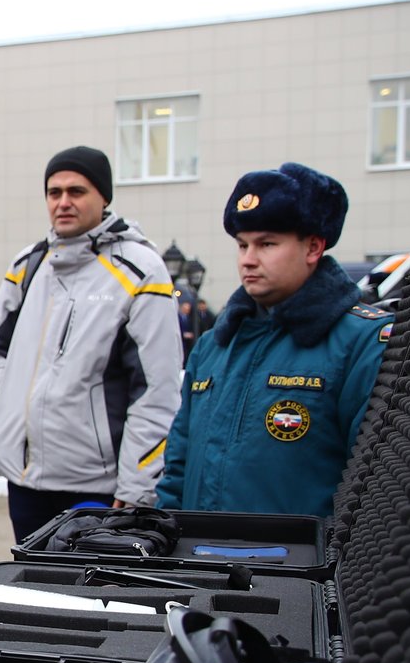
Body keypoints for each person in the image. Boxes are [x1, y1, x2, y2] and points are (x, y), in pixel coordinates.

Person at [157, 162, 389, 517]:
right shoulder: (213, 346)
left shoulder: (363, 342)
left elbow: (377, 485)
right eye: (242, 245)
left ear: (313, 248)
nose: (248, 260)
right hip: (198, 565)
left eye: (266, 244)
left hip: (299, 570)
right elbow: (177, 469)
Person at [0, 145, 183, 542]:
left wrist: (138, 482)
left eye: (77, 191)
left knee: (87, 597)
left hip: (94, 483)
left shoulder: (140, 269)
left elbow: (156, 388)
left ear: (103, 197)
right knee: (30, 590)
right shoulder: (28, 264)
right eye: (54, 193)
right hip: (24, 478)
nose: (63, 202)